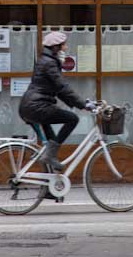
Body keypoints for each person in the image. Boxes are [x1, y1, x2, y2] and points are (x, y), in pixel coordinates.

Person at [18, 30, 96, 170]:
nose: (65, 48)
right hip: (37, 107)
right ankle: (49, 157)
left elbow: (59, 91)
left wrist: (80, 104)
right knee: (72, 119)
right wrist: (82, 104)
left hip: (31, 106)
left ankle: (49, 189)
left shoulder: (46, 61)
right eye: (63, 45)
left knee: (51, 145)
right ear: (55, 48)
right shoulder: (49, 64)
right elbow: (63, 87)